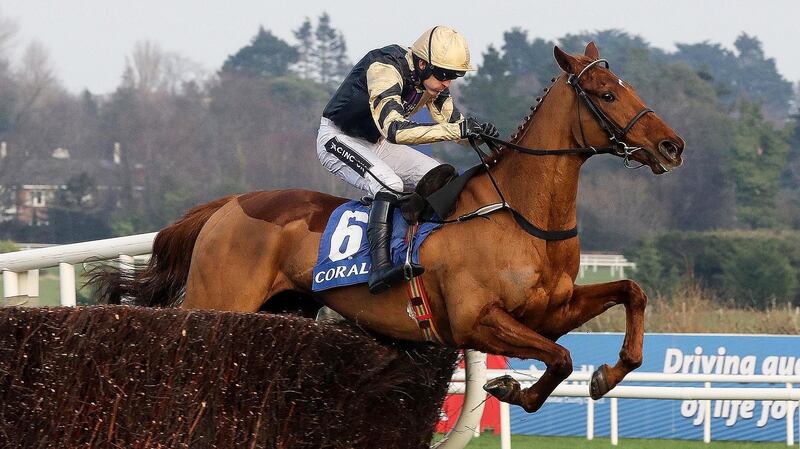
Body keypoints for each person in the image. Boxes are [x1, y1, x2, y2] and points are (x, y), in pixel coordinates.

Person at [316, 25, 498, 294]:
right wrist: (456, 131)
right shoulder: (384, 68)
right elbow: (394, 130)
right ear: (423, 64)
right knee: (389, 183)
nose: (448, 83)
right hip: (338, 138)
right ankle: (379, 268)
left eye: (454, 77)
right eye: (445, 75)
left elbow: (453, 125)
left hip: (378, 143)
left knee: (438, 176)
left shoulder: (432, 83)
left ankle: (420, 249)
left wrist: (480, 133)